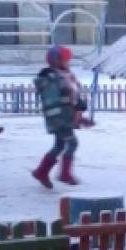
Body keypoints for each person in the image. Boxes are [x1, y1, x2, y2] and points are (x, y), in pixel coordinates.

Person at [31, 45, 87, 189]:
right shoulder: (50, 78)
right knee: (72, 143)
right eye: (66, 60)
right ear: (56, 60)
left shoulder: (65, 75)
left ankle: (41, 171)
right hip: (58, 118)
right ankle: (64, 173)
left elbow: (73, 95)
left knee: (60, 145)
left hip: (66, 117)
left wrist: (79, 110)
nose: (69, 62)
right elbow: (54, 100)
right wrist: (63, 117)